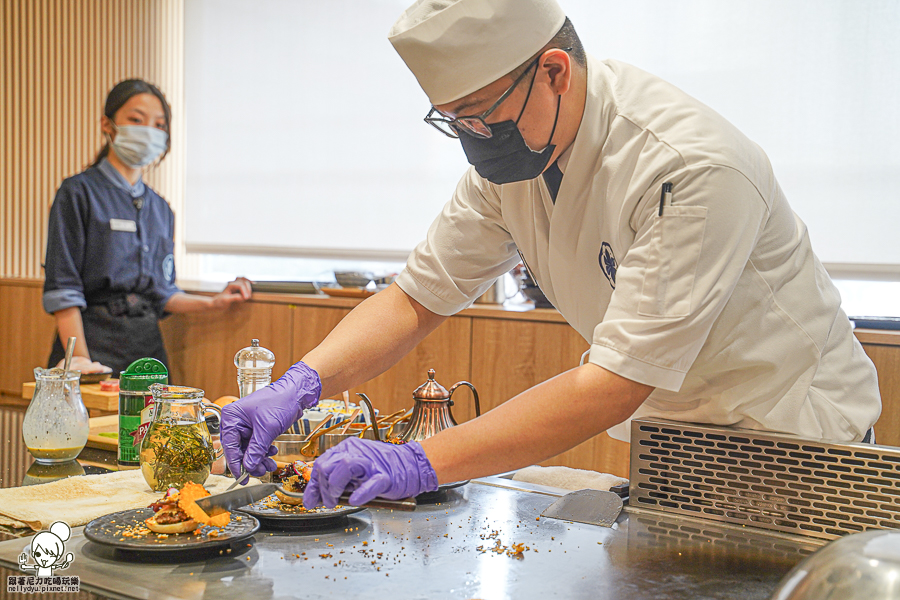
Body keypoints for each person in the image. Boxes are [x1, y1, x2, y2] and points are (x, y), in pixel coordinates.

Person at [222, 0, 881, 508]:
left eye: (478, 115)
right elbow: (416, 298)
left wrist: (421, 464)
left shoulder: (689, 167)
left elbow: (613, 384)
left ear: (555, 72)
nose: (471, 139)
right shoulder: (512, 165)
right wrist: (300, 383)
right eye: (451, 120)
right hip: (672, 451)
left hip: (795, 450)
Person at [43, 79, 251, 376]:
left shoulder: (161, 209)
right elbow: (63, 290)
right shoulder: (78, 193)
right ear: (107, 124)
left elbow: (163, 294)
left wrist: (214, 303)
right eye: (136, 120)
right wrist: (81, 362)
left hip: (147, 349)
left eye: (159, 124)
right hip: (90, 343)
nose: (148, 131)